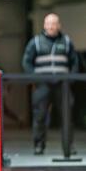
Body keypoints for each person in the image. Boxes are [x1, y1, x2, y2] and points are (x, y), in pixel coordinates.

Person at [22, 13, 79, 155]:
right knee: (40, 116)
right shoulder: (35, 42)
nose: (51, 26)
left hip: (62, 86)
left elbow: (75, 62)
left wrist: (70, 79)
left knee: (67, 116)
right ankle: (39, 145)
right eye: (49, 23)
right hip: (43, 85)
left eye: (54, 23)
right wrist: (35, 78)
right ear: (44, 25)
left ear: (59, 25)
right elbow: (26, 62)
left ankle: (68, 146)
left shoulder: (66, 41)